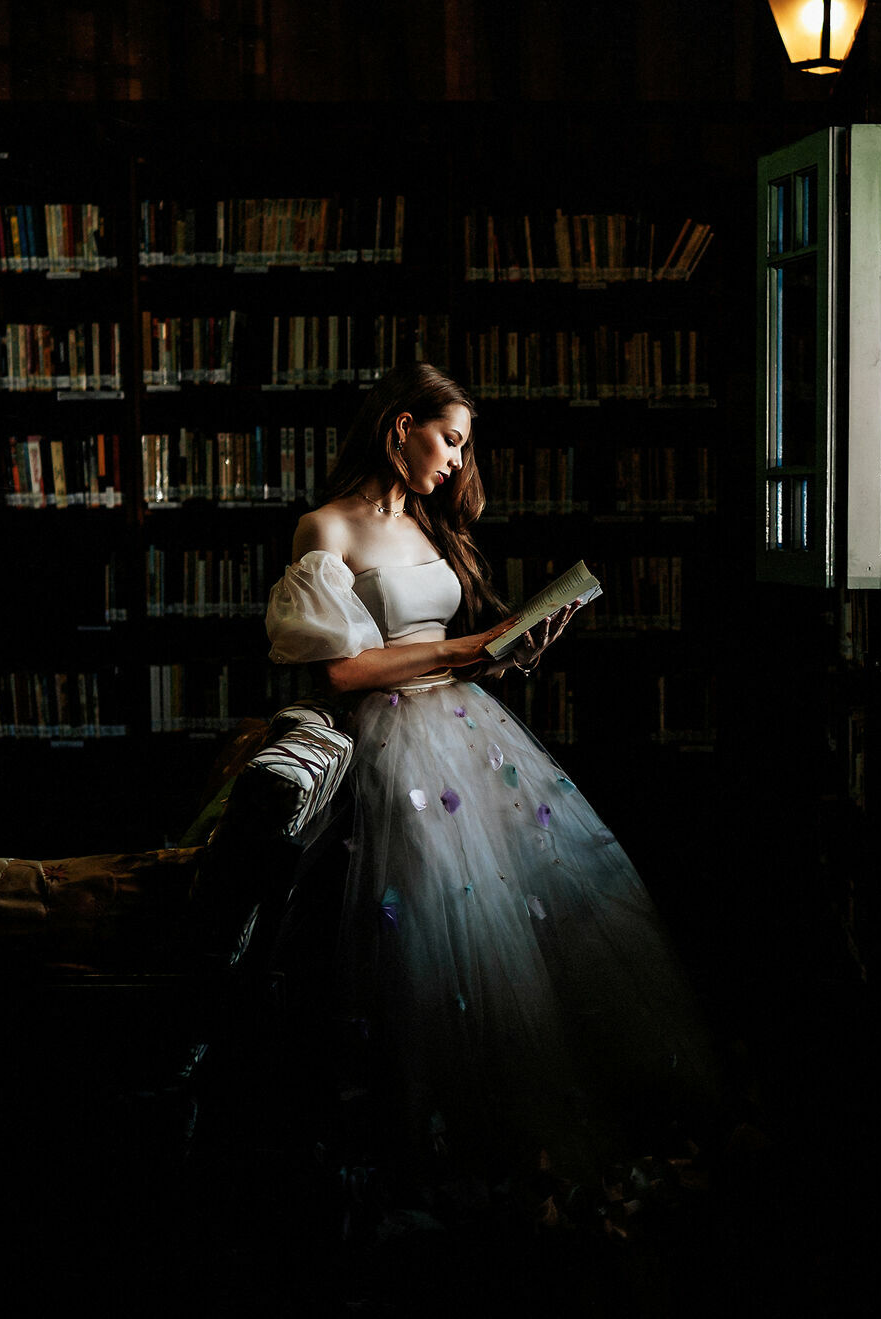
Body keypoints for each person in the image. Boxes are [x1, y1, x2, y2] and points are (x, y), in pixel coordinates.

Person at [264, 362, 715, 1178]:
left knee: (520, 920)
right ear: (400, 424)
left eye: (461, 446)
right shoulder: (323, 529)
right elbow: (343, 671)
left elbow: (437, 648)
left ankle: (521, 1119)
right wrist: (471, 644)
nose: (454, 462)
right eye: (448, 439)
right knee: (434, 925)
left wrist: (502, 653)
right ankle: (440, 1140)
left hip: (467, 729)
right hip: (391, 746)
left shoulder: (433, 525)